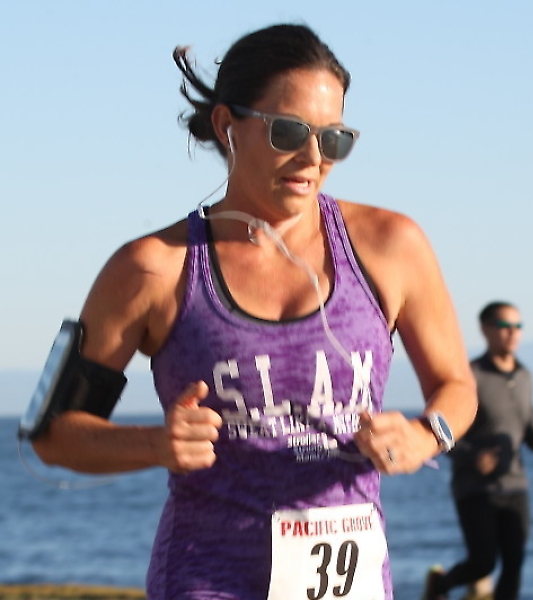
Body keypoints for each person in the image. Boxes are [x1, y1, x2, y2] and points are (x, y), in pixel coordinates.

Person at [31, 23, 477, 600]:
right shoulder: (153, 269)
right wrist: (155, 445)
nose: (313, 158)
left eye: (334, 139)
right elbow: (53, 435)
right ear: (227, 125)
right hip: (206, 581)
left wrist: (426, 435)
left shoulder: (393, 246)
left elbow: (457, 387)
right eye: (289, 132)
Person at [422, 301, 533, 600]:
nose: (513, 333)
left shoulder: (525, 376)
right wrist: (474, 457)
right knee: (483, 562)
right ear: (485, 329)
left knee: (514, 563)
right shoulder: (469, 377)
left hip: (515, 486)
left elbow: (528, 427)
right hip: (475, 488)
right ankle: (440, 584)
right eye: (505, 326)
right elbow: (442, 433)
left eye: (518, 326)